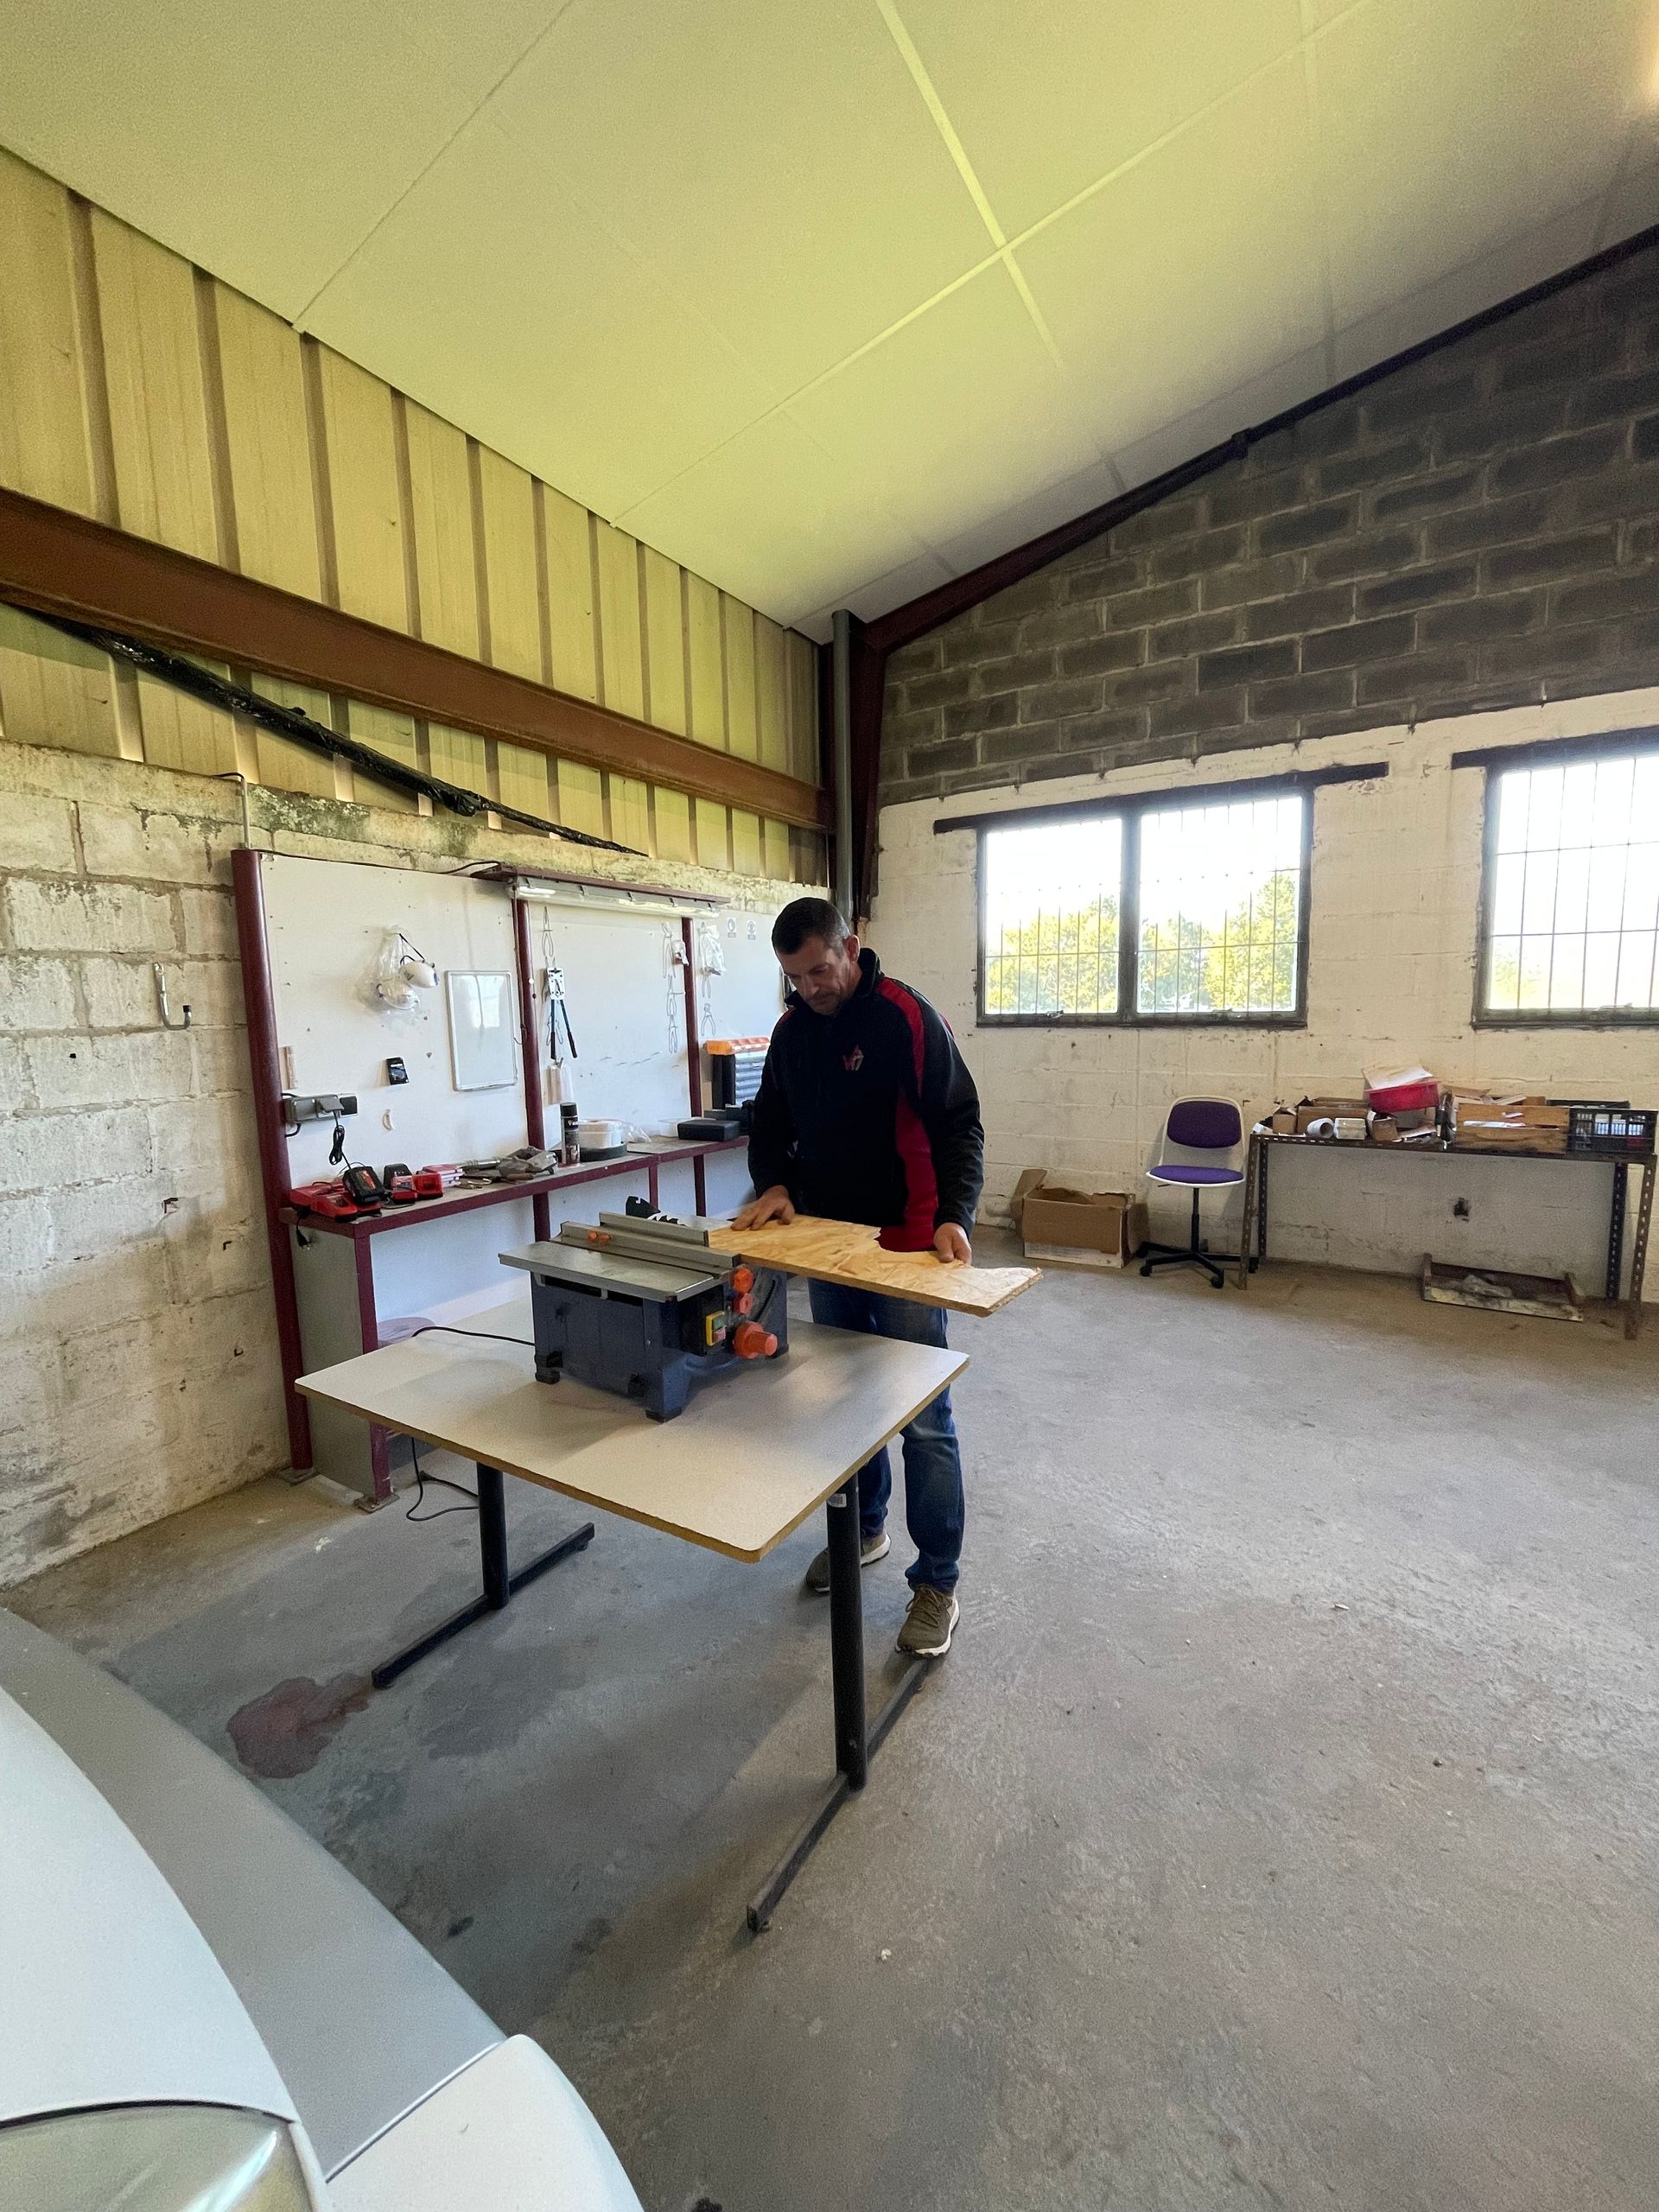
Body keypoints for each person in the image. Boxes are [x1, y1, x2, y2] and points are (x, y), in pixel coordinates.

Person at [735, 897, 983, 1658]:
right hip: (830, 1243)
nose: (809, 988)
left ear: (851, 946)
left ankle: (937, 1583)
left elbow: (959, 1121)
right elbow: (770, 1121)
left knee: (923, 1420)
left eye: (819, 970)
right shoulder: (791, 1032)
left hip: (908, 1243)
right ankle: (864, 1530)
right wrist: (776, 1184)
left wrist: (956, 1214)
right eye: (795, 977)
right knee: (849, 1404)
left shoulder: (905, 1017)